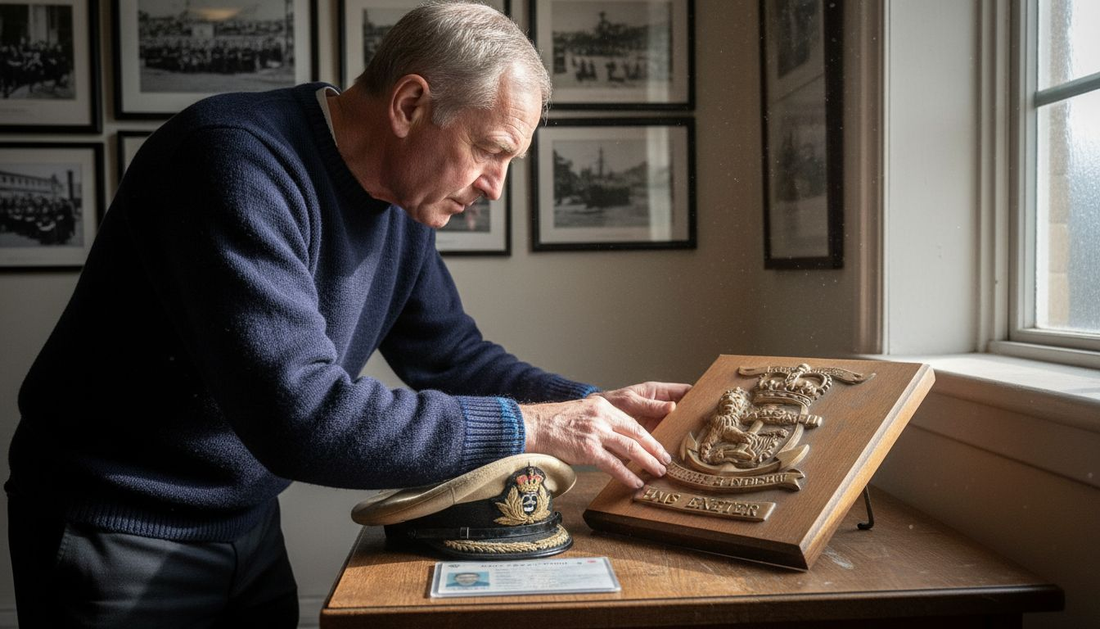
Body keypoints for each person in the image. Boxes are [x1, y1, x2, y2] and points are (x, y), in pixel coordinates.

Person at [5, 2, 690, 627]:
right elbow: (302, 416)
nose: (495, 187)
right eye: (490, 151)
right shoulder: (230, 160)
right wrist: (536, 426)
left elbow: (452, 357)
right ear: (411, 104)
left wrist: (592, 408)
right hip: (119, 527)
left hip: (244, 519)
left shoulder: (401, 203)